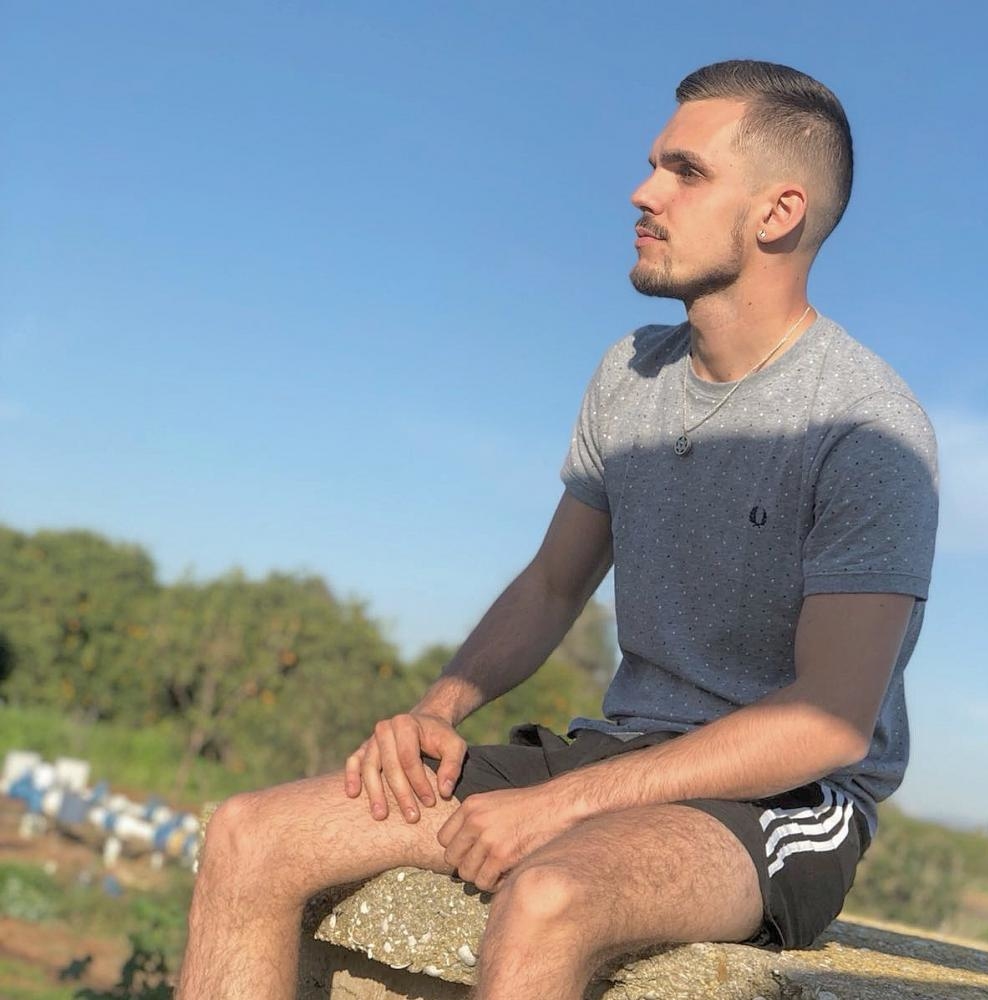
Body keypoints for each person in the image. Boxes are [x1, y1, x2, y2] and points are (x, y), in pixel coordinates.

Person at [177, 59, 938, 1000]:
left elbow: (830, 720)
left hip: (784, 801)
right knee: (250, 834)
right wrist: (436, 711)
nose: (644, 192)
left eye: (686, 172)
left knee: (546, 896)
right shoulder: (630, 374)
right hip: (620, 750)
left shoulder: (866, 428)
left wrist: (560, 807)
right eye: (654, 165)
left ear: (778, 214)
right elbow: (550, 585)